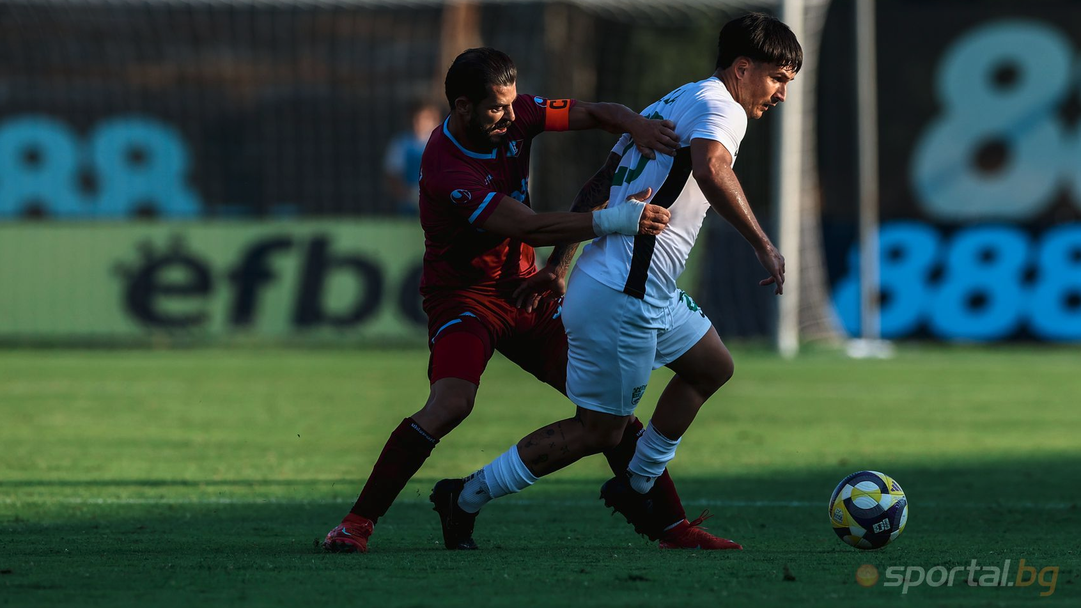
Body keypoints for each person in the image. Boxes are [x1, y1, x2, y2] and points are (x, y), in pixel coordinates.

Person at [324, 46, 733, 553]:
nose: (510, 115)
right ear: (462, 107)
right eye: (496, 107)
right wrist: (616, 219)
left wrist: (634, 123)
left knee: (608, 409)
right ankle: (356, 523)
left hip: (526, 291)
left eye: (513, 103)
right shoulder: (447, 167)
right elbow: (529, 227)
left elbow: (590, 112)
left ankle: (673, 529)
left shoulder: (517, 114)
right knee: (452, 403)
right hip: (465, 300)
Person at [432, 13, 800, 550]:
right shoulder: (723, 106)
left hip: (633, 283)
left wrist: (559, 269)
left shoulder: (672, 101)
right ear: (743, 68)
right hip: (625, 291)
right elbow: (712, 166)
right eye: (778, 78)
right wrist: (763, 244)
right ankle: (465, 495)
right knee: (599, 430)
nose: (782, 93)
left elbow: (599, 183)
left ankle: (640, 485)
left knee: (711, 366)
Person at [384, 101, 442, 215]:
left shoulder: (445, 143)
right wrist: (409, 196)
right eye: (417, 119)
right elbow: (391, 175)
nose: (420, 123)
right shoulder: (401, 143)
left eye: (425, 119)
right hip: (409, 209)